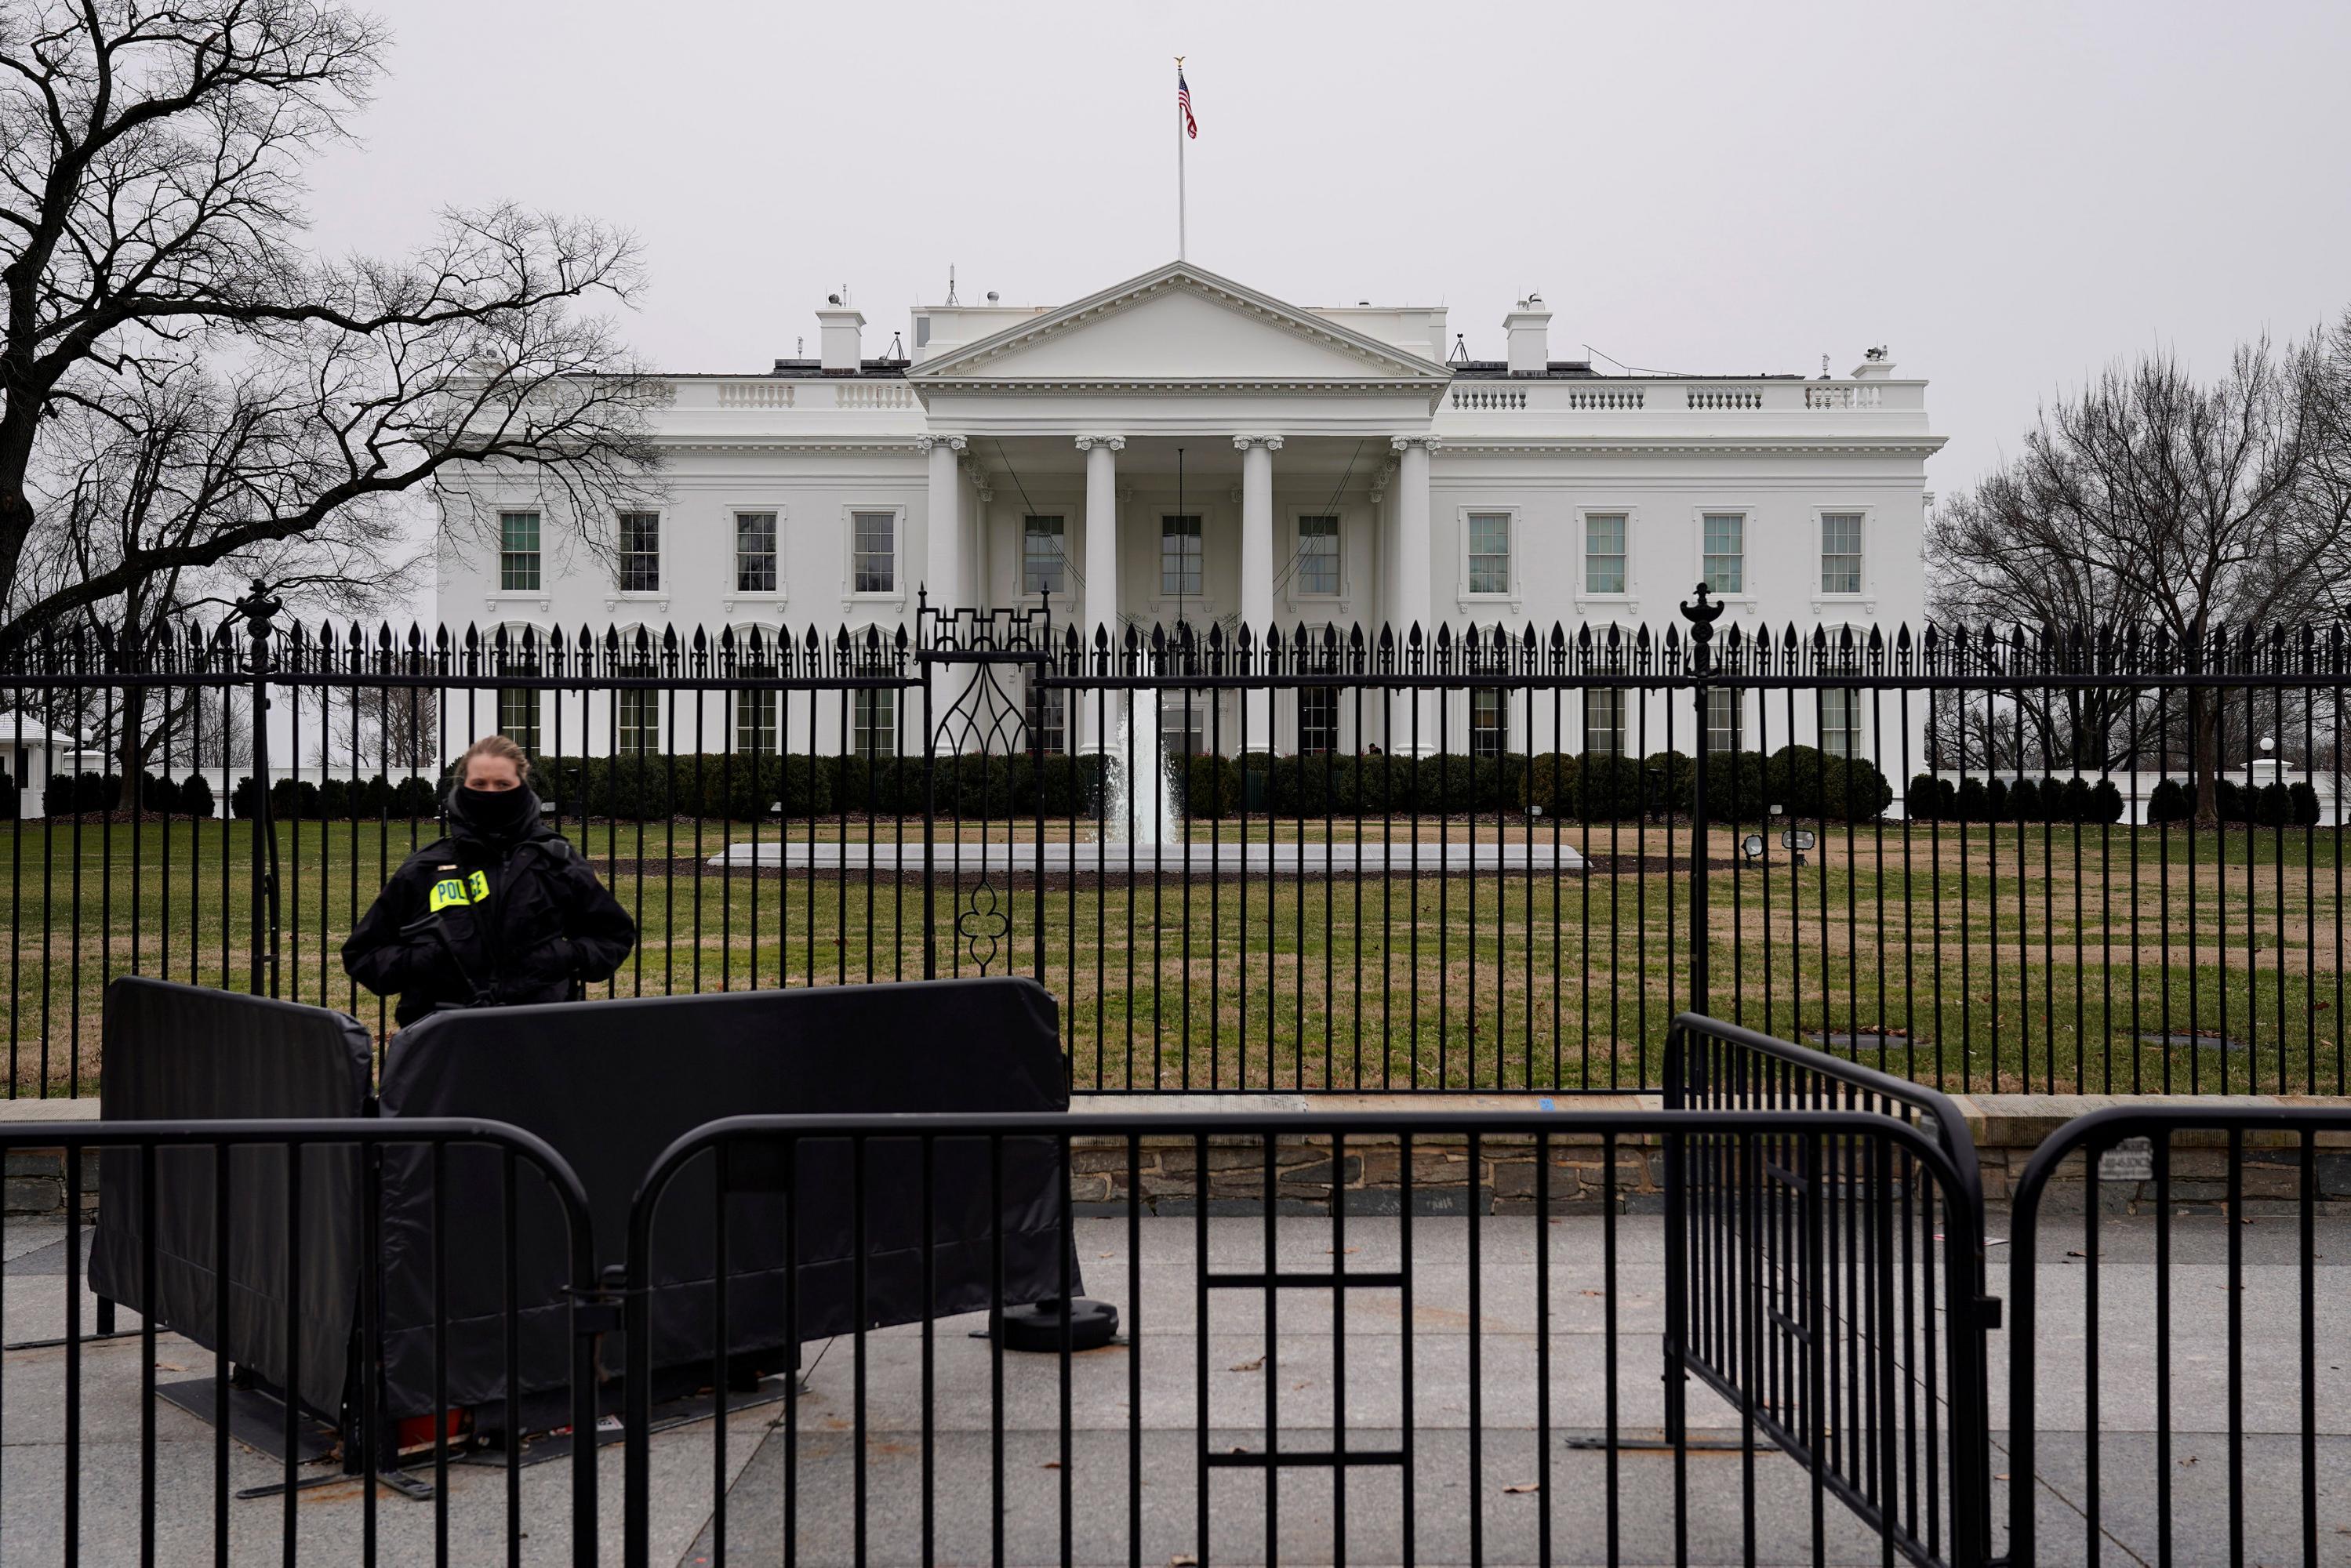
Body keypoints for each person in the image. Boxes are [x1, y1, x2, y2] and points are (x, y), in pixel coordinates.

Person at [343, 735, 635, 1028]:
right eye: (479, 785)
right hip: (445, 1041)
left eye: (503, 785)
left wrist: (559, 957)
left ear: (521, 787)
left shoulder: (556, 861)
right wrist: (427, 960)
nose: (491, 793)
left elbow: (613, 936)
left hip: (541, 1035)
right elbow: (363, 955)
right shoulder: (425, 868)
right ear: (462, 787)